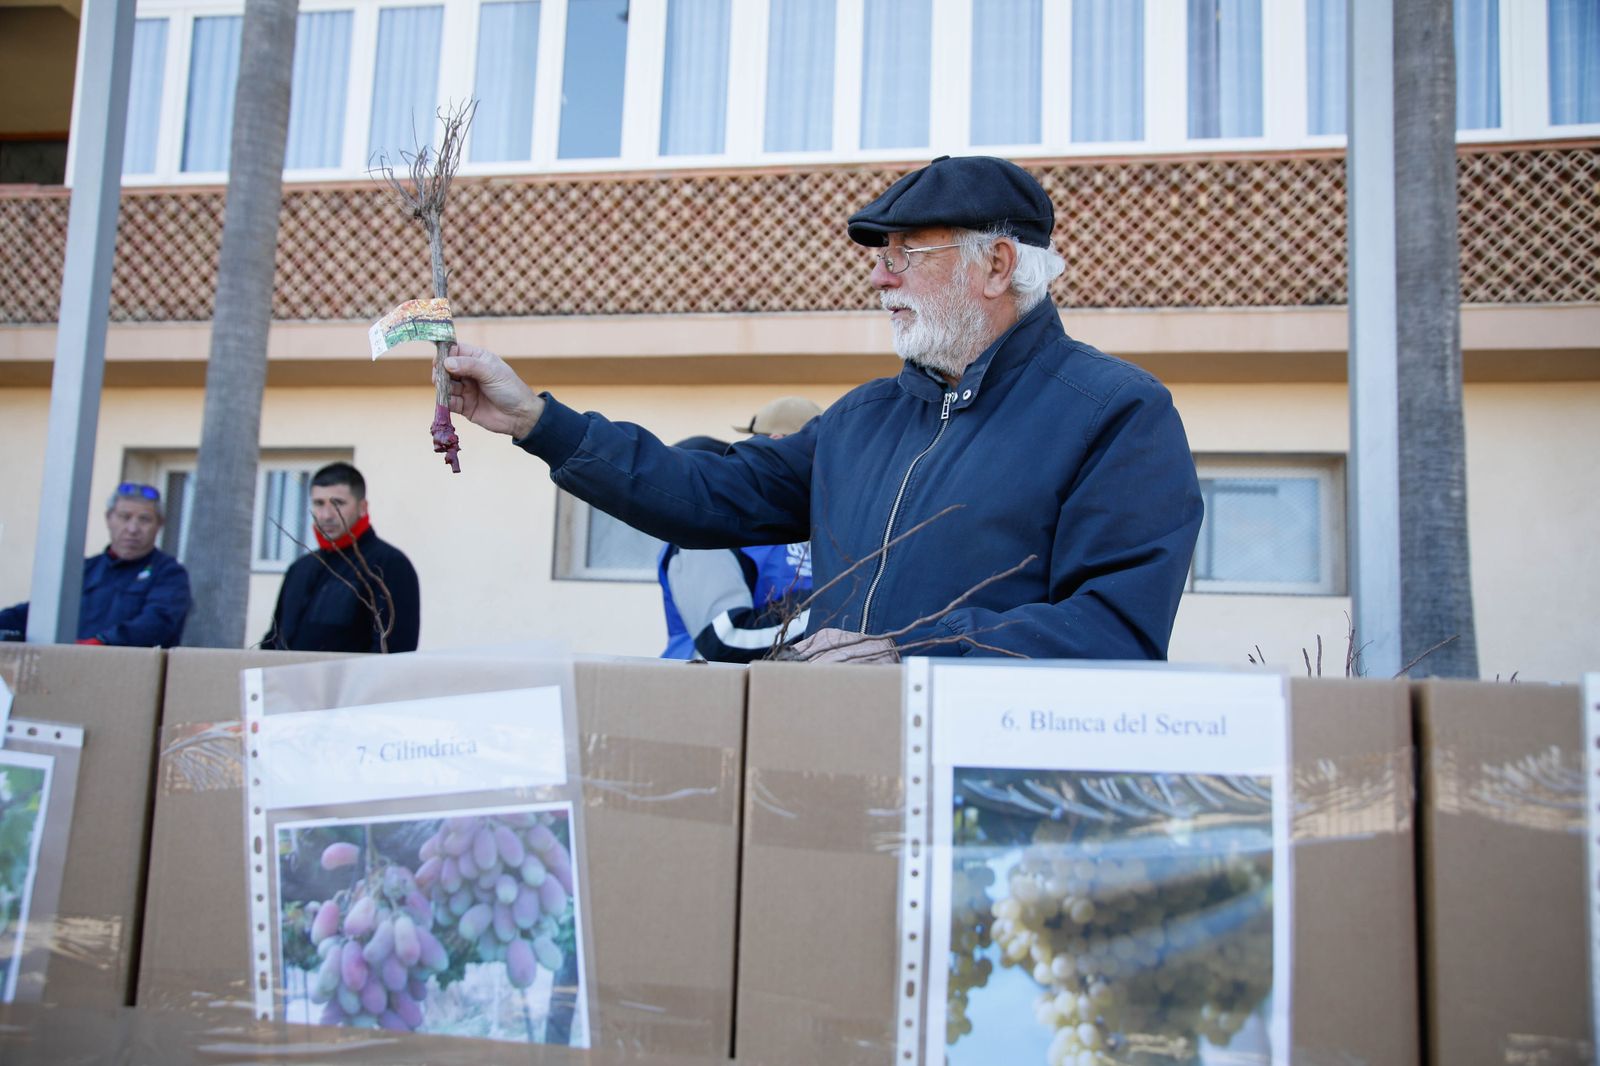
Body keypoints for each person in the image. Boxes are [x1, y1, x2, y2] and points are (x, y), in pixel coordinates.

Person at [442, 155, 1203, 663]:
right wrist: (536, 421)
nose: (879, 277)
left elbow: (1112, 628)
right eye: (879, 257)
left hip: (995, 811)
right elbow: (703, 492)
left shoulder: (1115, 415)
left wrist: (908, 657)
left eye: (903, 253)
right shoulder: (861, 420)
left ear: (997, 265)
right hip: (841, 774)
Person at [659, 394, 821, 662]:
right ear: (779, 442)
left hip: (795, 692)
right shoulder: (712, 519)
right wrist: (834, 604)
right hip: (709, 693)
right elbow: (725, 637)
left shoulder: (816, 524)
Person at [0, 482, 191, 647]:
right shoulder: (83, 570)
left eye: (144, 519)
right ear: (109, 518)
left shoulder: (170, 574)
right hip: (66, 673)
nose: (133, 529)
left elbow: (157, 623)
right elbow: (37, 612)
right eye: (125, 517)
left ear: (159, 525)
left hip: (131, 679)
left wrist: (102, 642)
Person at [261, 462, 420, 653]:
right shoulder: (299, 569)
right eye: (319, 503)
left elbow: (392, 652)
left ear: (362, 507)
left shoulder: (389, 564)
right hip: (288, 682)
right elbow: (274, 640)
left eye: (338, 503)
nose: (326, 515)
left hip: (348, 683)